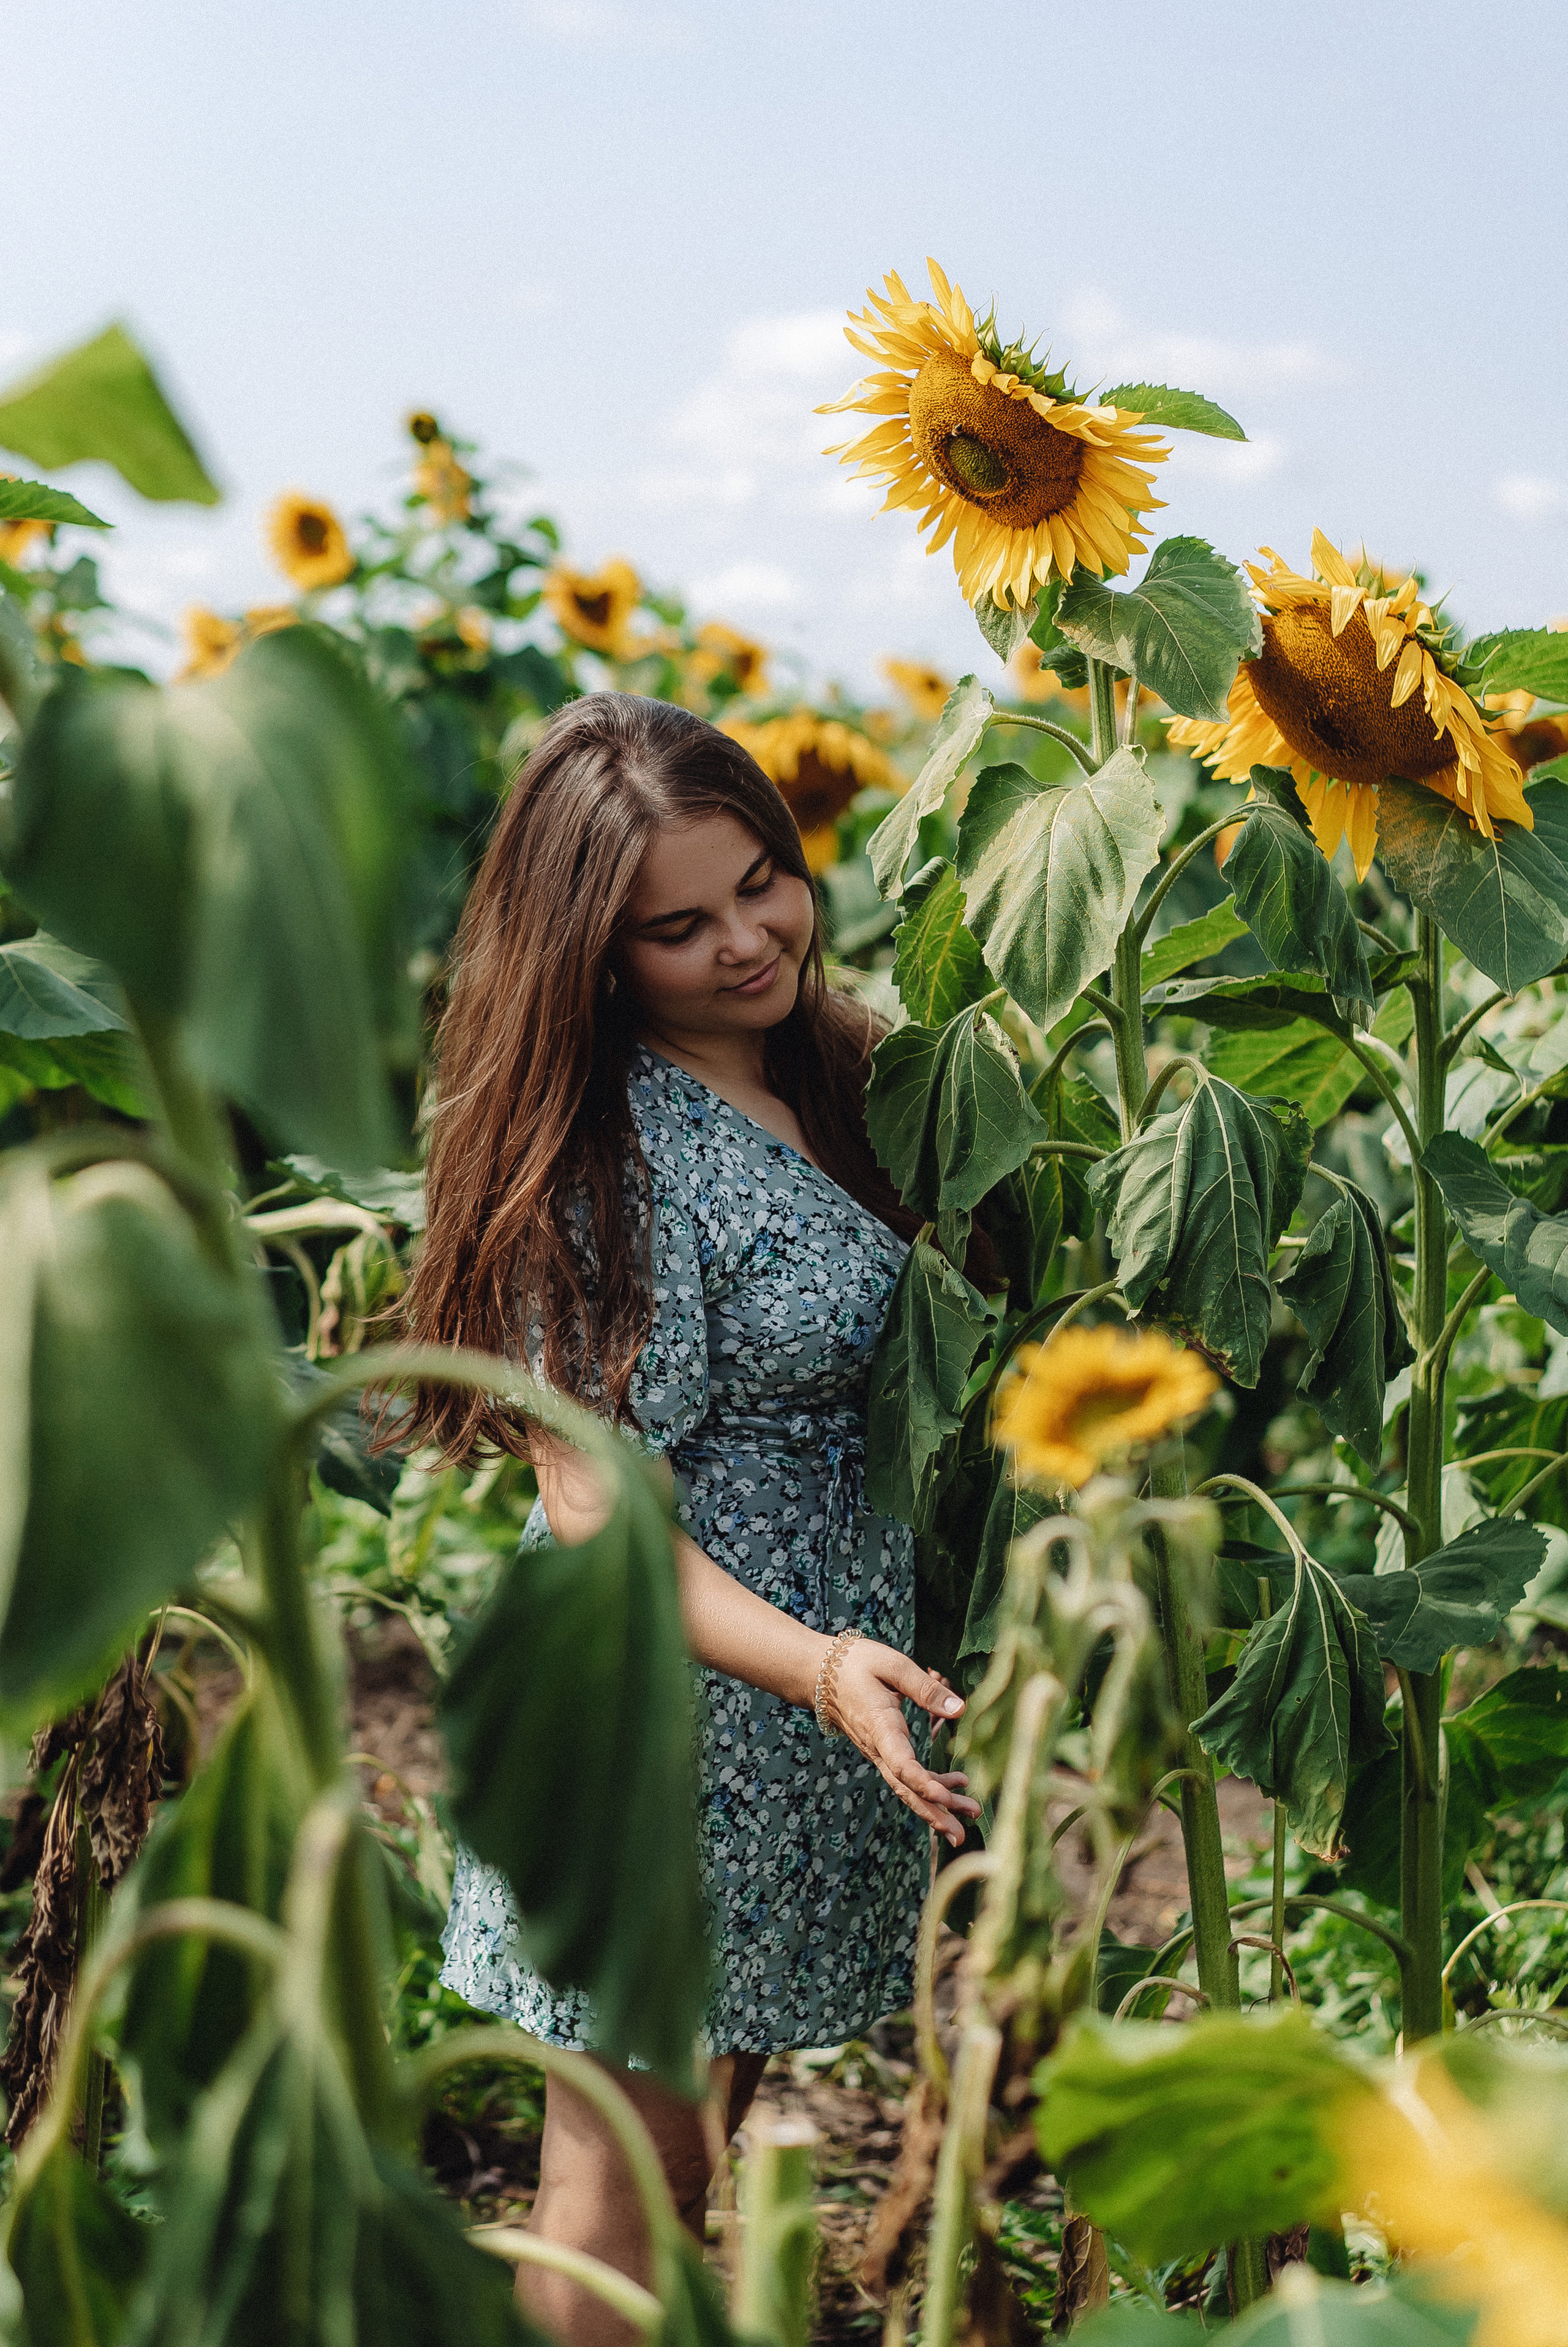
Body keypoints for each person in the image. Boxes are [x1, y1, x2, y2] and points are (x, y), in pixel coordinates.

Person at [404, 694, 979, 2343]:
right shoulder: (600, 1162)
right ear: (590, 951)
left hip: (790, 1726)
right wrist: (823, 1669)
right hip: (667, 1716)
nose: (747, 941)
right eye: (680, 924)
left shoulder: (838, 1069)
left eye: (762, 884)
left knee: (680, 2155)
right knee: (618, 2188)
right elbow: (603, 1520)